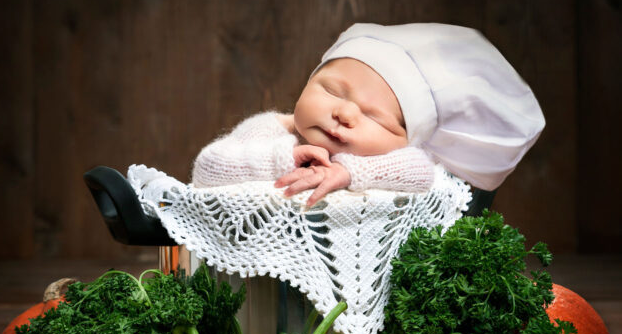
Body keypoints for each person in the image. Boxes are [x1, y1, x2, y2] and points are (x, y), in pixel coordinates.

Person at [191, 22, 546, 208]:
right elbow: (208, 166)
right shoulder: (275, 129)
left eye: (375, 117)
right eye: (331, 90)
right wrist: (282, 159)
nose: (344, 113)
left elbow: (421, 172)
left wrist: (349, 171)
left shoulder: (401, 158)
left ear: (405, 139)